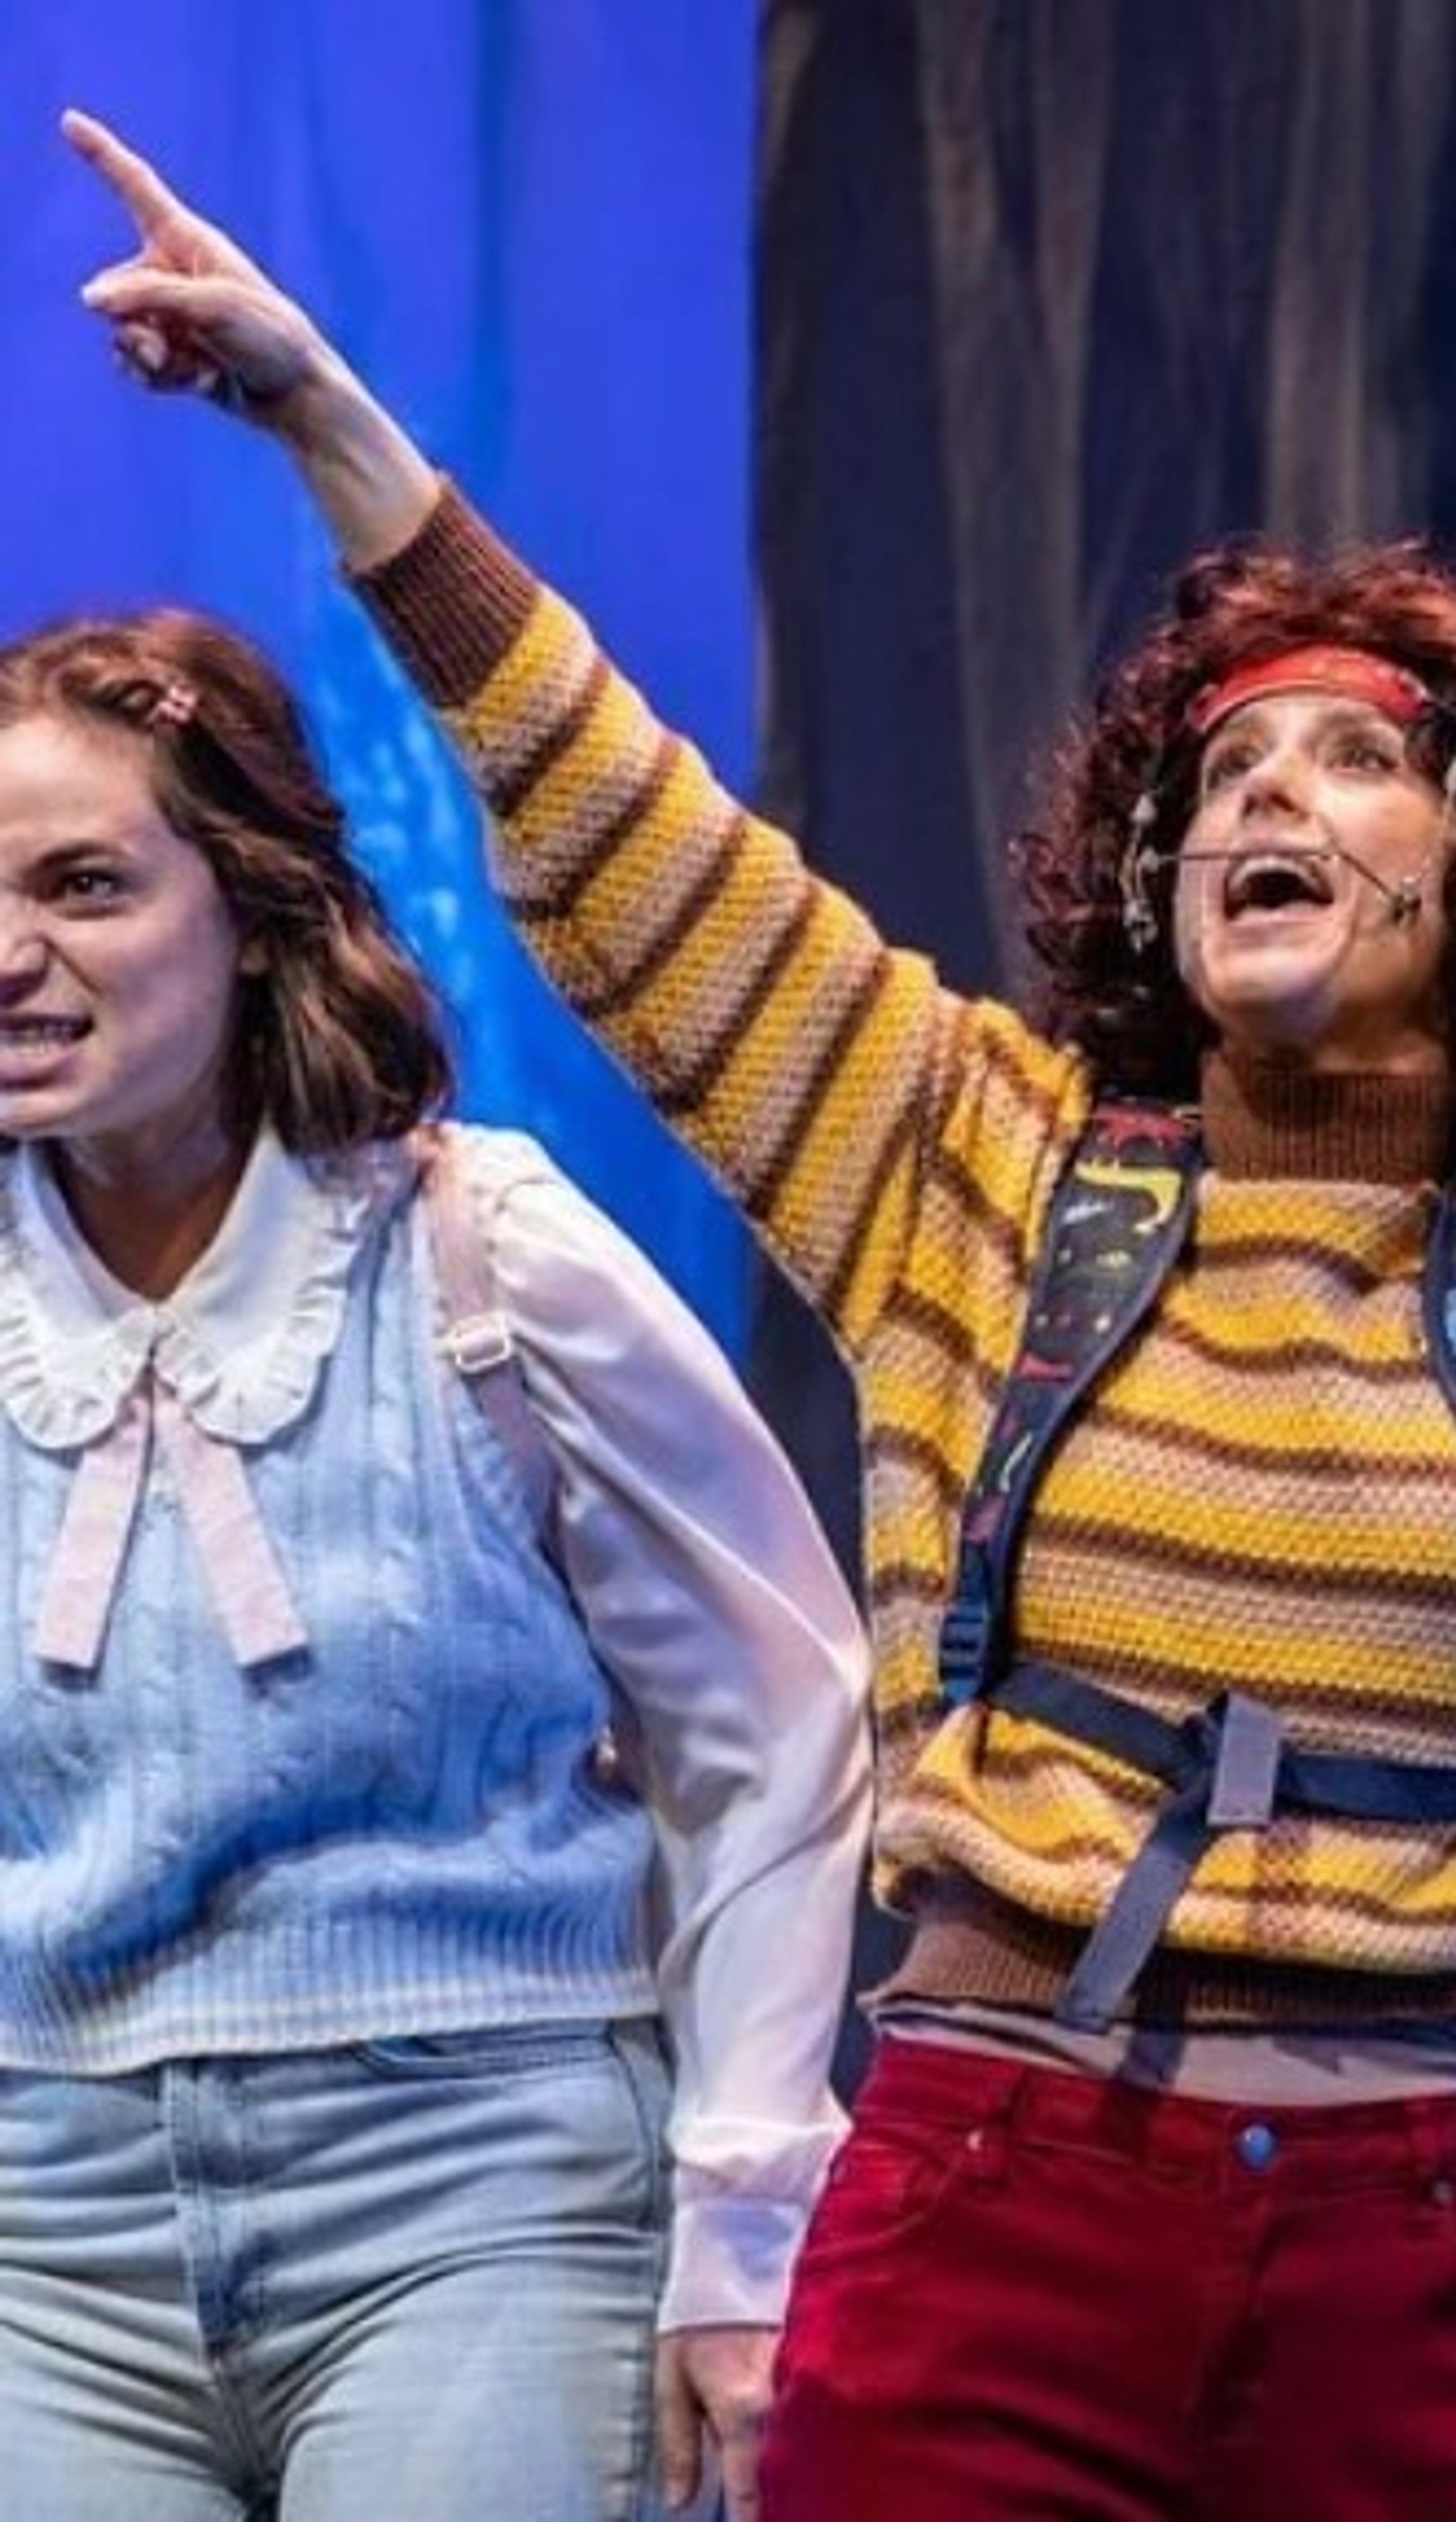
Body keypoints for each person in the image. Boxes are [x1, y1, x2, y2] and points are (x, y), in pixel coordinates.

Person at [61, 18, 1456, 2516]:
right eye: (1219, 775)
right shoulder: (988, 1168)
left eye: (1350, 760)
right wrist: (323, 420)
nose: (1264, 793)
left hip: (1400, 2235)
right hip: (990, 2200)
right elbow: (625, 833)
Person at [0, 599, 869, 2522]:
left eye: (84, 885)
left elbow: (776, 1719)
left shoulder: (486, 1260)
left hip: (476, 2181)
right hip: (39, 2230)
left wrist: (746, 2211)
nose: (11, 956)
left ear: (251, 906)